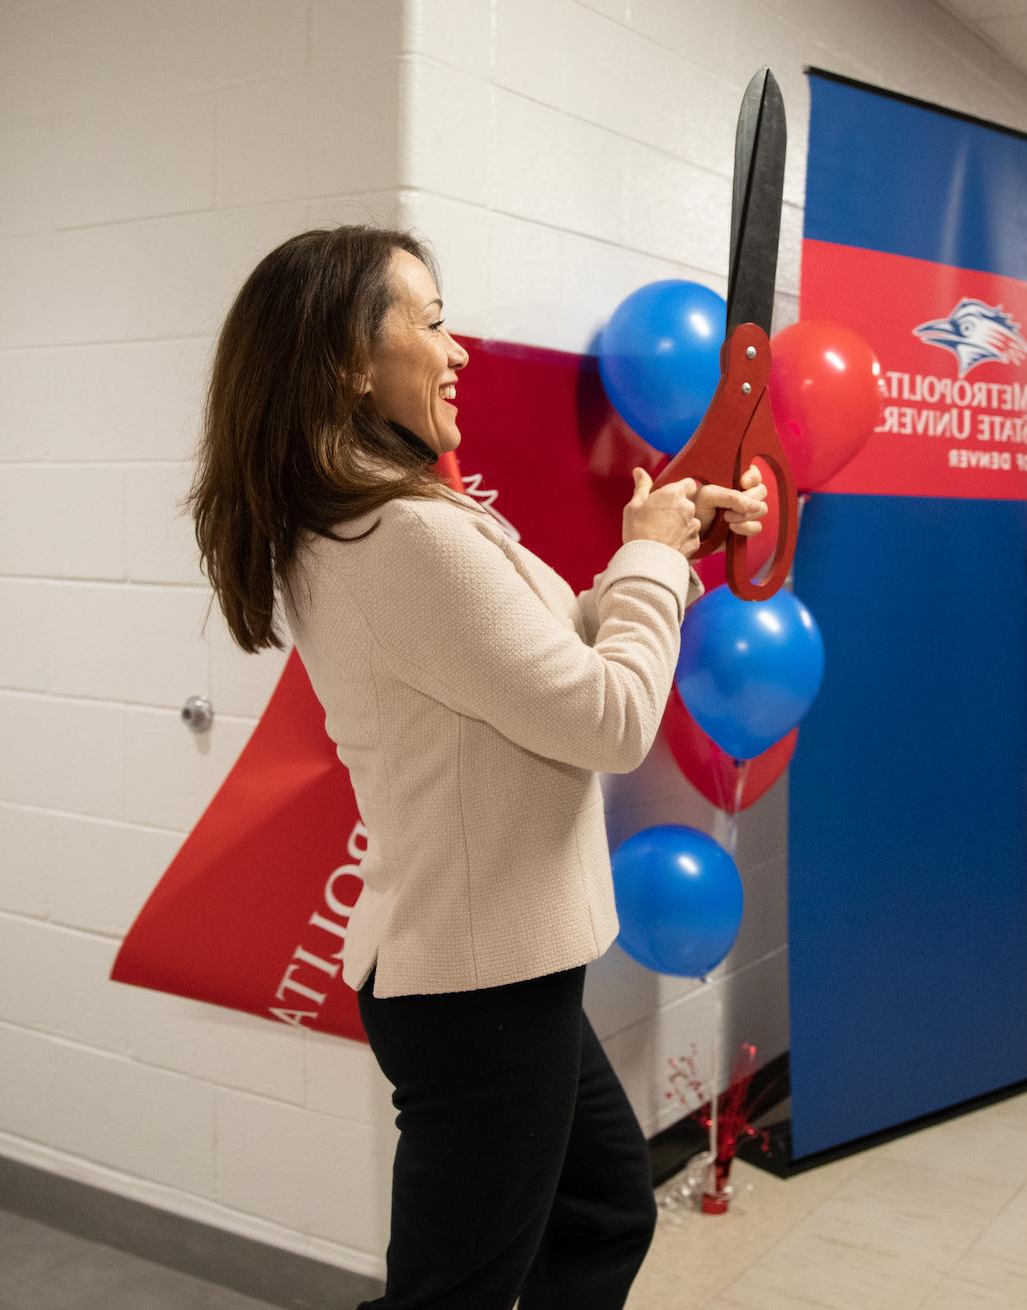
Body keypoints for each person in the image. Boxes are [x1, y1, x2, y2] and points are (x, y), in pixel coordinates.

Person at [188, 226, 766, 1309]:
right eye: (434, 321)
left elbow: (544, 664)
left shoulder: (385, 523)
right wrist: (647, 557)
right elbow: (608, 717)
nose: (458, 352)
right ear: (351, 359)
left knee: (601, 1212)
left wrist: (665, 551)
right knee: (454, 1293)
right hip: (478, 991)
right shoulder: (402, 539)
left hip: (500, 972)